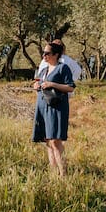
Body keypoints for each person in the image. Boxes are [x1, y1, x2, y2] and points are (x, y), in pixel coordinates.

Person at [32, 42, 75, 176]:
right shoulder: (44, 69)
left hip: (57, 108)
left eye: (47, 53)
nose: (44, 55)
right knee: (47, 140)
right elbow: (39, 83)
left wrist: (52, 84)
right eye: (43, 53)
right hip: (42, 107)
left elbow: (70, 87)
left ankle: (64, 174)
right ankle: (53, 172)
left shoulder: (63, 68)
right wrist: (36, 85)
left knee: (56, 140)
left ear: (56, 55)